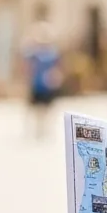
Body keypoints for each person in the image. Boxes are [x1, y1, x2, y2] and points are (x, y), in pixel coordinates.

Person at [22, 9, 63, 138]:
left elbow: (58, 66)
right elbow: (27, 65)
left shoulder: (51, 52)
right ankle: (39, 129)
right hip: (38, 82)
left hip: (46, 83)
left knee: (46, 107)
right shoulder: (34, 52)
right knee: (37, 108)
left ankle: (45, 128)